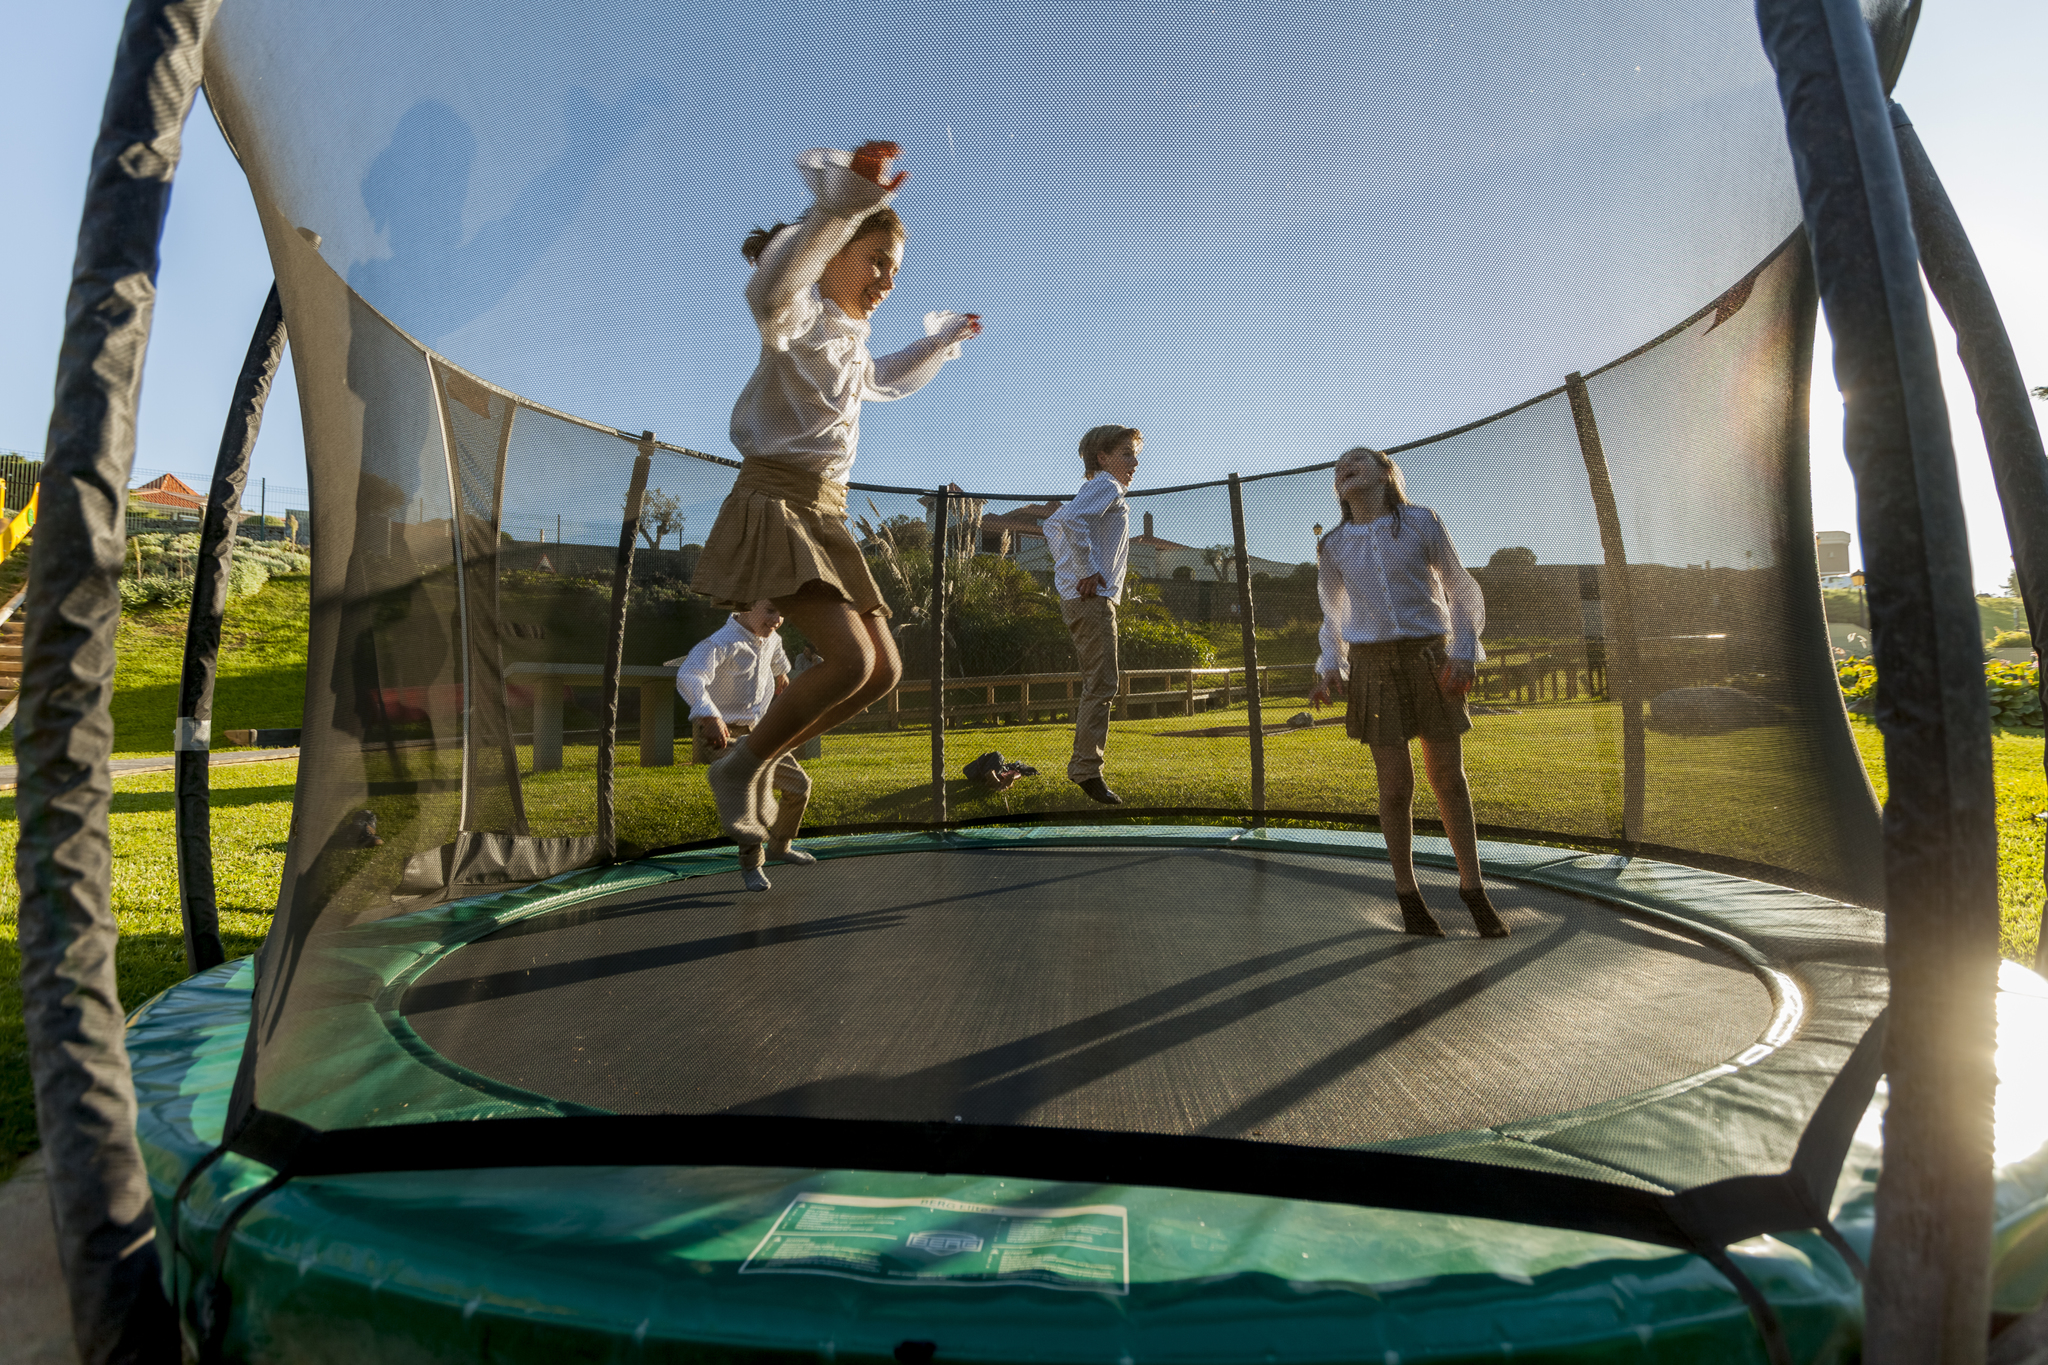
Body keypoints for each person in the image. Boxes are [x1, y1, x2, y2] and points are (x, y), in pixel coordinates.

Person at [691, 139, 982, 851]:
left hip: (827, 511)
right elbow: (770, 287)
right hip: (778, 502)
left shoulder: (850, 341)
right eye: (877, 260)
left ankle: (758, 753)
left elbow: (882, 376)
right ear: (832, 252)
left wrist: (939, 343)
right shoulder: (794, 317)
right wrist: (840, 204)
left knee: (883, 670)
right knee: (850, 660)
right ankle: (743, 765)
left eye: (894, 269)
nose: (887, 279)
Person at [1308, 447, 1510, 938]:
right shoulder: (1333, 544)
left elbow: (1460, 588)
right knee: (1396, 787)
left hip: (1430, 658)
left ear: (1385, 474)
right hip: (1373, 666)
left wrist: (1464, 649)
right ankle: (1408, 895)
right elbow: (1332, 612)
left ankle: (1473, 888)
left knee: (1448, 777)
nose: (1343, 469)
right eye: (1337, 468)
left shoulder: (1421, 522)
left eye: (1356, 461)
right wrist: (1329, 664)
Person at [670, 600, 809, 891]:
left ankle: (780, 846)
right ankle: (752, 864)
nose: (777, 619)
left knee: (799, 785)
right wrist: (709, 715)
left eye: (782, 613)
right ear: (745, 607)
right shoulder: (721, 643)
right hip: (722, 733)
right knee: (748, 793)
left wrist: (780, 674)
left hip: (760, 732)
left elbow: (777, 660)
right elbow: (689, 675)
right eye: (771, 611)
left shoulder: (771, 639)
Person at [1041, 425, 1141, 805]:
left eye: (1135, 456)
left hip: (1082, 598)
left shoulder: (1095, 489)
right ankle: (1086, 769)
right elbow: (1067, 522)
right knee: (1102, 685)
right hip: (1092, 599)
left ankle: (1086, 767)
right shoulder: (1107, 486)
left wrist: (1071, 575)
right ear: (1103, 457)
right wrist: (1084, 571)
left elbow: (1053, 523)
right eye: (1127, 454)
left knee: (1098, 683)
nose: (1134, 464)